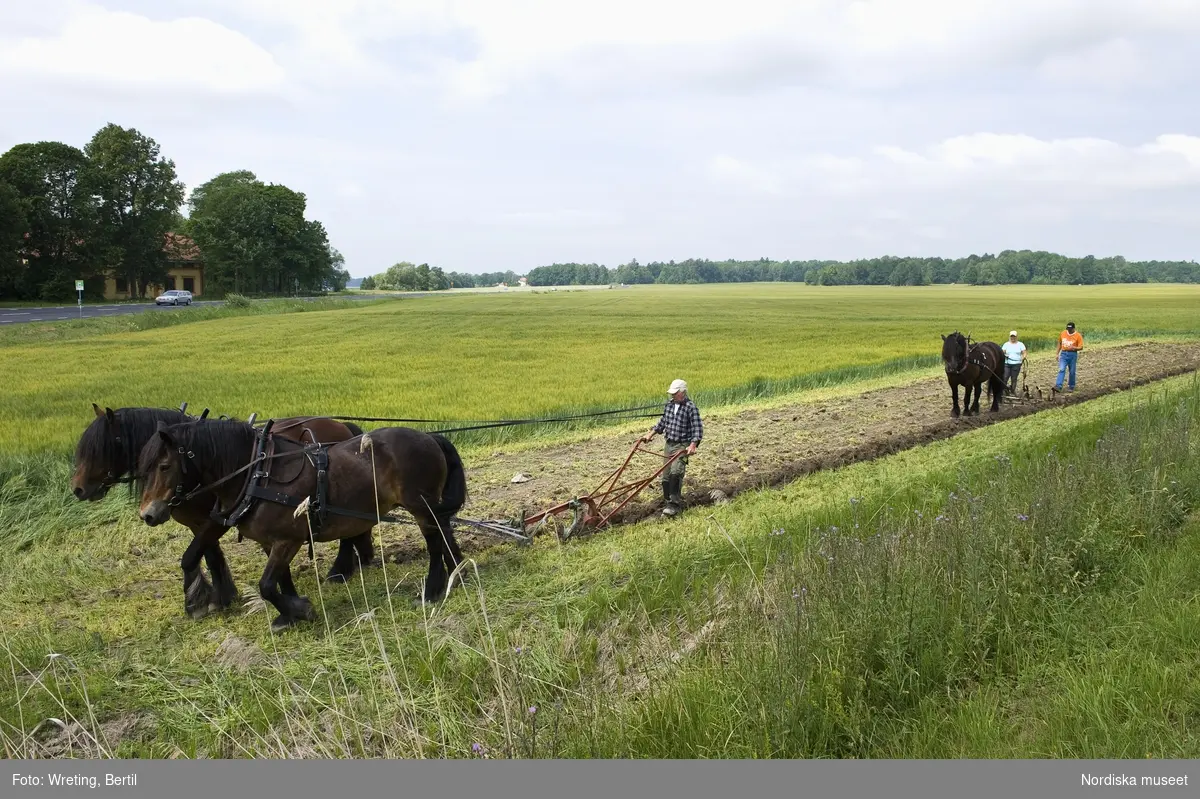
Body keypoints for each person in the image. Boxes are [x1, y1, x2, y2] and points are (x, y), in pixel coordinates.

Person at [641, 378, 703, 517]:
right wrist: (650, 434)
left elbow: (698, 429)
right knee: (666, 476)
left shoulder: (690, 407)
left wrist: (693, 445)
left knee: (676, 472)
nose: (673, 396)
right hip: (669, 444)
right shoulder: (669, 405)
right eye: (672, 393)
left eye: (675, 393)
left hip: (682, 445)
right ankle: (667, 501)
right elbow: (663, 422)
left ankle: (674, 505)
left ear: (683, 392)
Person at [1055, 321, 1084, 392]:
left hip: (1073, 354)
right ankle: (1058, 386)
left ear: (1073, 328)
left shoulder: (1078, 336)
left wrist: (1074, 347)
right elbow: (1059, 343)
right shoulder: (1063, 333)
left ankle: (1071, 386)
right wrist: (1057, 353)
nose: (1069, 330)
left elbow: (1081, 347)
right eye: (1068, 329)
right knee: (1061, 369)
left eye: (1070, 329)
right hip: (1064, 353)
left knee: (1072, 371)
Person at [1001, 330, 1027, 395]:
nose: (1013, 338)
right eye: (1011, 336)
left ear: (1016, 337)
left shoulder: (1020, 344)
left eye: (1014, 336)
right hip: (1007, 363)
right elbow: (1002, 352)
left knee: (1014, 378)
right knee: (1005, 377)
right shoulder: (1006, 344)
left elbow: (1024, 352)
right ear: (1009, 337)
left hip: (1016, 364)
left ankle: (1012, 390)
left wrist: (1023, 357)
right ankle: (1003, 391)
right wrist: (1003, 355)